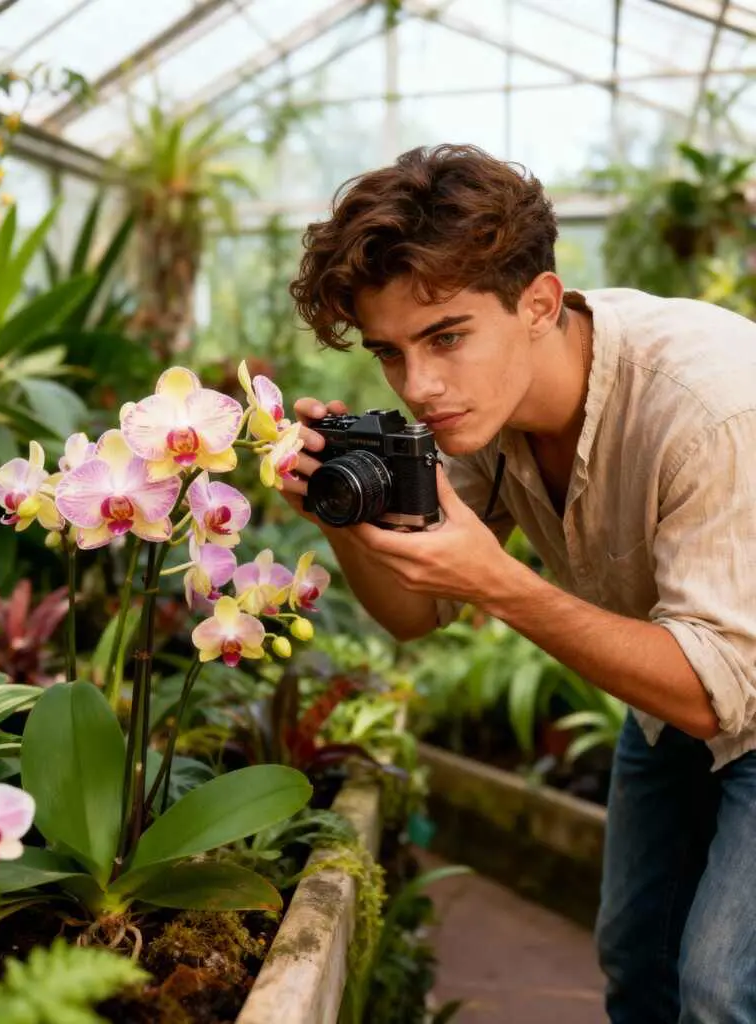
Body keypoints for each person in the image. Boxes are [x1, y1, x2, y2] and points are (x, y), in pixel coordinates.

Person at [282, 143, 756, 1024]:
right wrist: (338, 519)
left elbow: (712, 691)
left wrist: (503, 583)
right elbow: (415, 617)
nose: (420, 387)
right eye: (390, 353)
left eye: (446, 337)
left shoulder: (713, 407)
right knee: (636, 956)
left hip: (721, 686)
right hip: (677, 686)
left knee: (722, 990)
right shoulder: (483, 413)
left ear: (539, 303)